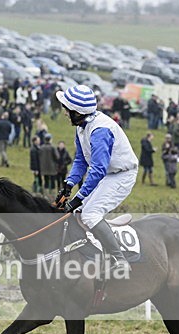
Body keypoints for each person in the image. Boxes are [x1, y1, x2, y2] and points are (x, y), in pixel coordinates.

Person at [54, 85, 137, 270]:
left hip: (121, 175)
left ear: (77, 112)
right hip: (107, 173)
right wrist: (69, 184)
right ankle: (89, 252)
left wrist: (78, 198)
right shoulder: (82, 127)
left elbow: (98, 170)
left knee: (90, 214)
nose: (65, 113)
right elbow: (81, 159)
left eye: (67, 109)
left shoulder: (100, 131)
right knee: (76, 213)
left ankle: (119, 260)